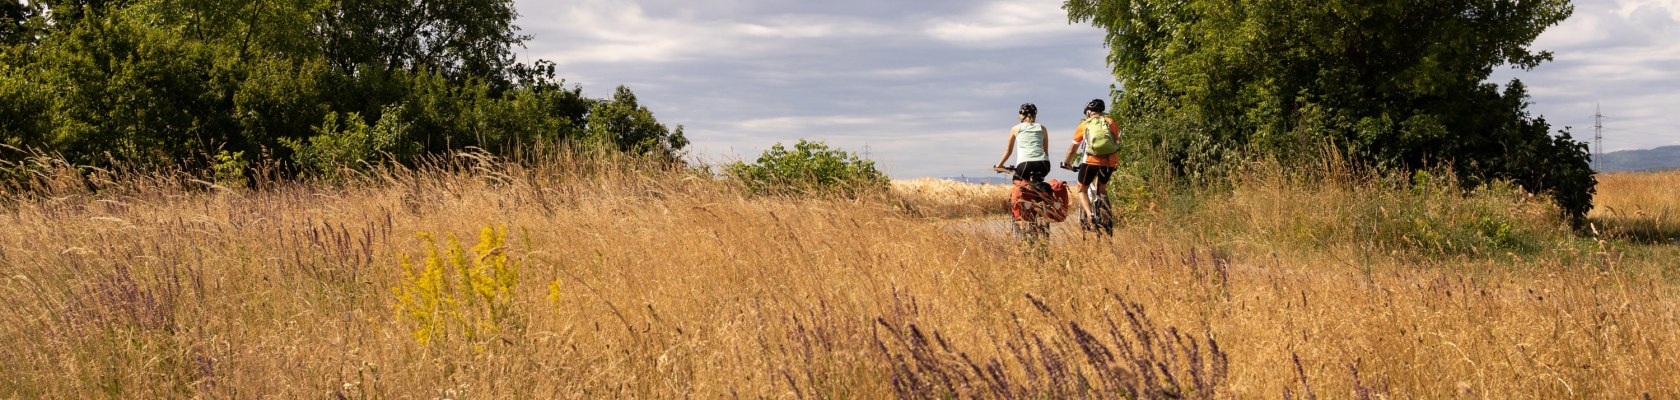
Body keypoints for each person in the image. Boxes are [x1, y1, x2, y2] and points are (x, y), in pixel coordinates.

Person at [1061, 99, 1119, 219]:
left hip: (1090, 161)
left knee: (1082, 189)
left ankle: (1090, 214)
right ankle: (1107, 217)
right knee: (1101, 187)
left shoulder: (1084, 125)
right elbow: (1115, 144)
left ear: (1088, 113)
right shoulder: (1111, 122)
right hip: (1110, 162)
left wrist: (1067, 163)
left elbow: (1072, 149)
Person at [994, 103, 1051, 183]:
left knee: (1017, 182)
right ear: (1035, 115)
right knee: (1039, 184)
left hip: (1025, 164)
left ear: (1022, 115)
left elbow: (1008, 151)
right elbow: (1046, 152)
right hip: (1044, 164)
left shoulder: (1015, 128)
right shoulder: (1042, 128)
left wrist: (999, 165)